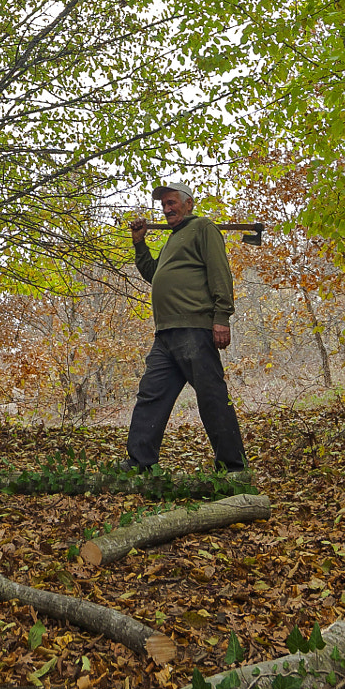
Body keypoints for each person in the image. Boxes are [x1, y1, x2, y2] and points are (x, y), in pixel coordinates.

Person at [128, 180, 247, 471]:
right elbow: (154, 274)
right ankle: (140, 464)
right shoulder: (173, 238)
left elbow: (220, 272)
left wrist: (221, 318)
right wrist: (140, 243)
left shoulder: (203, 228)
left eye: (172, 203)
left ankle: (233, 468)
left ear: (188, 203)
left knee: (212, 397)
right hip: (166, 333)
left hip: (194, 328)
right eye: (164, 205)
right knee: (150, 395)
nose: (167, 209)